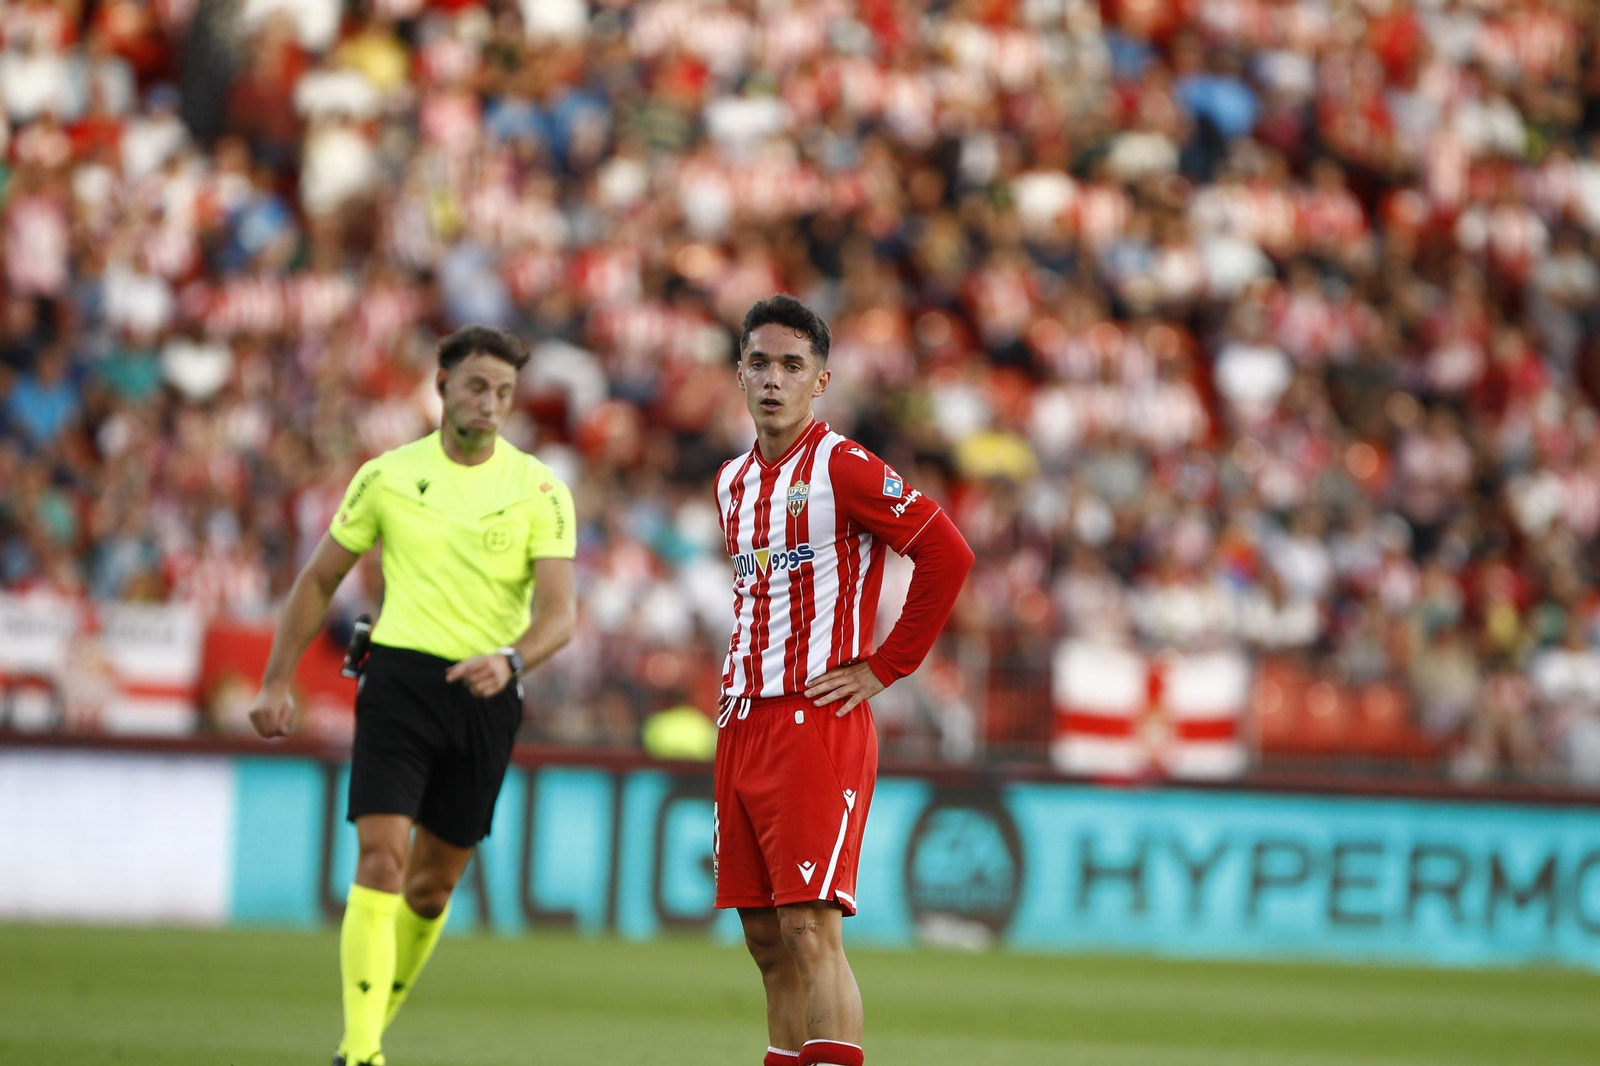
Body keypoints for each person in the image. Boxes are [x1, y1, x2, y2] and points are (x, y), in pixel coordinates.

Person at [245, 326, 577, 1066]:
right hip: (398, 680)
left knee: (428, 891)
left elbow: (561, 614)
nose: (490, 404)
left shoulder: (540, 490)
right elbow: (320, 579)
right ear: (441, 385)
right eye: (477, 387)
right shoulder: (388, 475)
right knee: (381, 861)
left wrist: (512, 660)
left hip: (488, 692)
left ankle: (366, 1035)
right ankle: (360, 1054)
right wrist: (276, 680)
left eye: (503, 393)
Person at [715, 294, 974, 1066]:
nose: (772, 380)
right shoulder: (731, 483)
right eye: (759, 362)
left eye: (792, 366)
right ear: (740, 371)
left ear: (820, 381)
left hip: (813, 719)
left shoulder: (843, 465)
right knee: (766, 940)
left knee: (809, 927)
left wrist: (887, 665)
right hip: (742, 721)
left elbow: (947, 553)